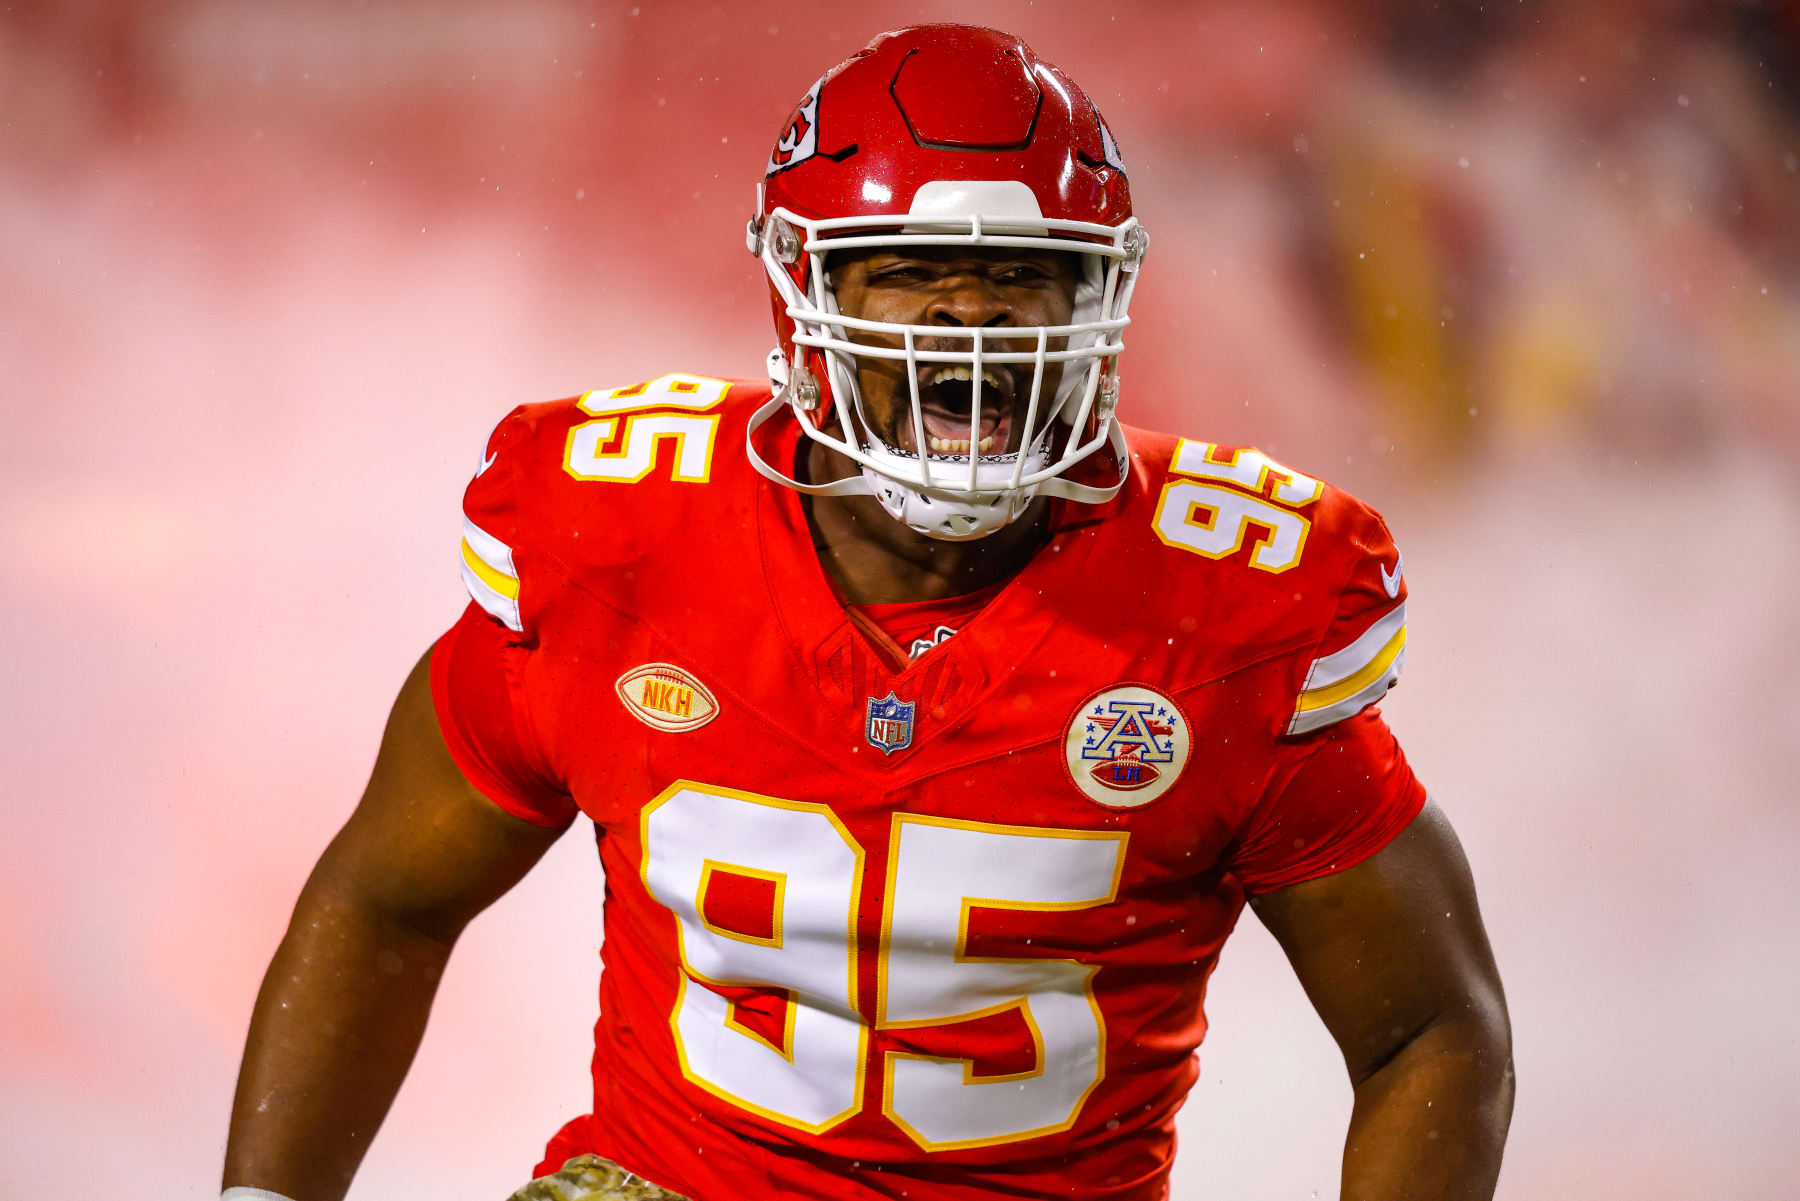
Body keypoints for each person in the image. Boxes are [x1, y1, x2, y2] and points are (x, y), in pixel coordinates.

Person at [223, 24, 1513, 1201]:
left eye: (1022, 272)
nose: (970, 315)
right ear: (807, 294)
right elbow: (386, 899)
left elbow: (1430, 1028)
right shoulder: (624, 547)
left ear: (1099, 299)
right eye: (910, 271)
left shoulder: (1226, 613)